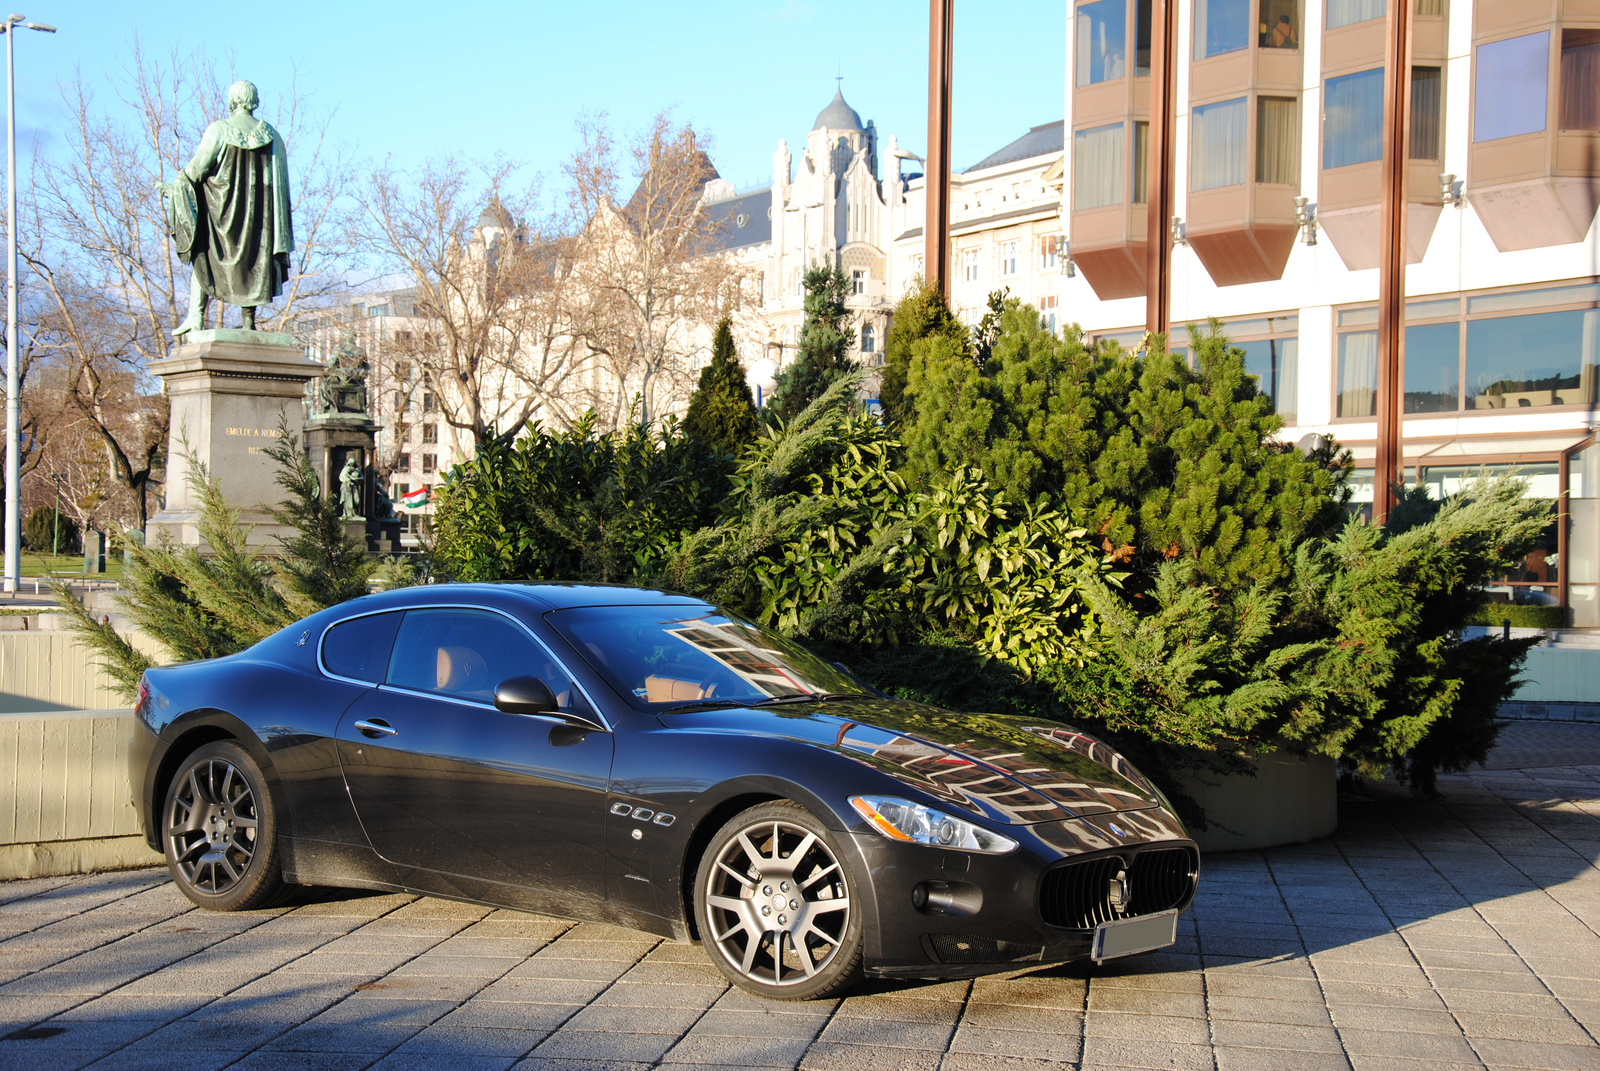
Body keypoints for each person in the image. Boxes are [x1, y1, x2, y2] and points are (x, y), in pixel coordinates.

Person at [159, 80, 294, 339]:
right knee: (255, 261)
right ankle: (248, 322)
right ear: (254, 101)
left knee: (202, 251)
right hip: (260, 222)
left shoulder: (219, 130)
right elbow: (279, 186)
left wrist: (175, 189)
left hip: (221, 216)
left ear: (232, 101)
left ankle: (196, 317)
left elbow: (195, 171)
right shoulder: (272, 135)